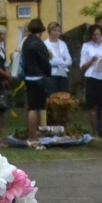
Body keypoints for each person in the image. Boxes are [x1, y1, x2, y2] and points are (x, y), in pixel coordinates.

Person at [20, 17, 53, 145]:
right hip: (38, 77)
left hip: (28, 77)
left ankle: (33, 134)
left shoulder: (26, 42)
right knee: (36, 108)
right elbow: (44, 61)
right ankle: (33, 137)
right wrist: (48, 73)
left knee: (31, 108)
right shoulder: (39, 44)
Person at [46, 20, 73, 95]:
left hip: (63, 73)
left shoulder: (62, 44)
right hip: (52, 74)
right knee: (53, 96)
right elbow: (49, 61)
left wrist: (58, 62)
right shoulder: (45, 44)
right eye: (54, 30)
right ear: (50, 31)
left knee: (64, 96)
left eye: (58, 31)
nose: (57, 33)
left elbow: (69, 60)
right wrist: (62, 60)